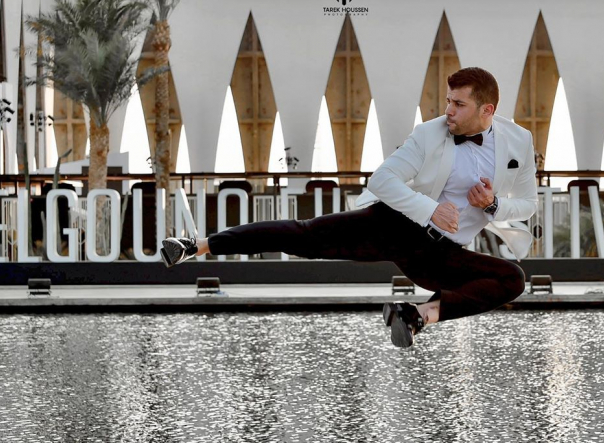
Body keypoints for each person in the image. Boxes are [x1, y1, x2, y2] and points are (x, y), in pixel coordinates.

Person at [161, 67, 538, 348]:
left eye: (458, 104)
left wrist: (493, 204)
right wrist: (430, 209)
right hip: (394, 225)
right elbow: (382, 180)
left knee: (512, 279)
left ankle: (416, 316)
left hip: (439, 252)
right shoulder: (429, 133)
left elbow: (527, 204)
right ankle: (196, 246)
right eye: (447, 101)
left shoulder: (518, 143)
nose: (448, 111)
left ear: (487, 109)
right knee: (304, 236)